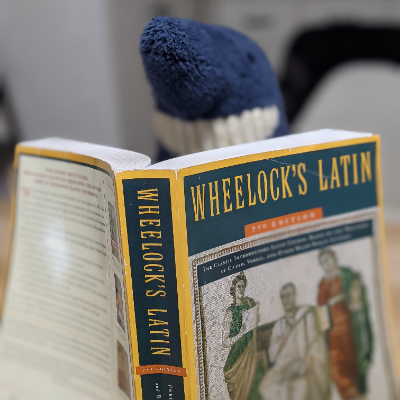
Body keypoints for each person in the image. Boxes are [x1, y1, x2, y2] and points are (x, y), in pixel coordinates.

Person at [258, 283, 330, 400]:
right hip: (283, 367)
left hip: (303, 363)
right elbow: (272, 357)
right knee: (266, 387)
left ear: (294, 296)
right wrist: (284, 336)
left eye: (288, 295)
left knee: (300, 384)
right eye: (283, 297)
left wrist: (310, 358)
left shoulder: (306, 316)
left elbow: (316, 341)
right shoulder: (279, 325)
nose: (286, 300)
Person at [317, 248, 373, 399]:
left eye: (327, 260)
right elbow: (321, 307)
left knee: (353, 359)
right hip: (333, 331)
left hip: (350, 325)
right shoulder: (323, 283)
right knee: (336, 364)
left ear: (334, 259)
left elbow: (357, 293)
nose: (325, 264)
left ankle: (357, 392)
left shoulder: (346, 274)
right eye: (322, 262)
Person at [222, 272, 264, 400]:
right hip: (238, 354)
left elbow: (253, 328)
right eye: (239, 287)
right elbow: (224, 342)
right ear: (233, 289)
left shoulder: (249, 302)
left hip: (251, 349)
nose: (241, 290)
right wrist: (240, 333)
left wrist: (255, 321)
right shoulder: (230, 312)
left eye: (243, 287)